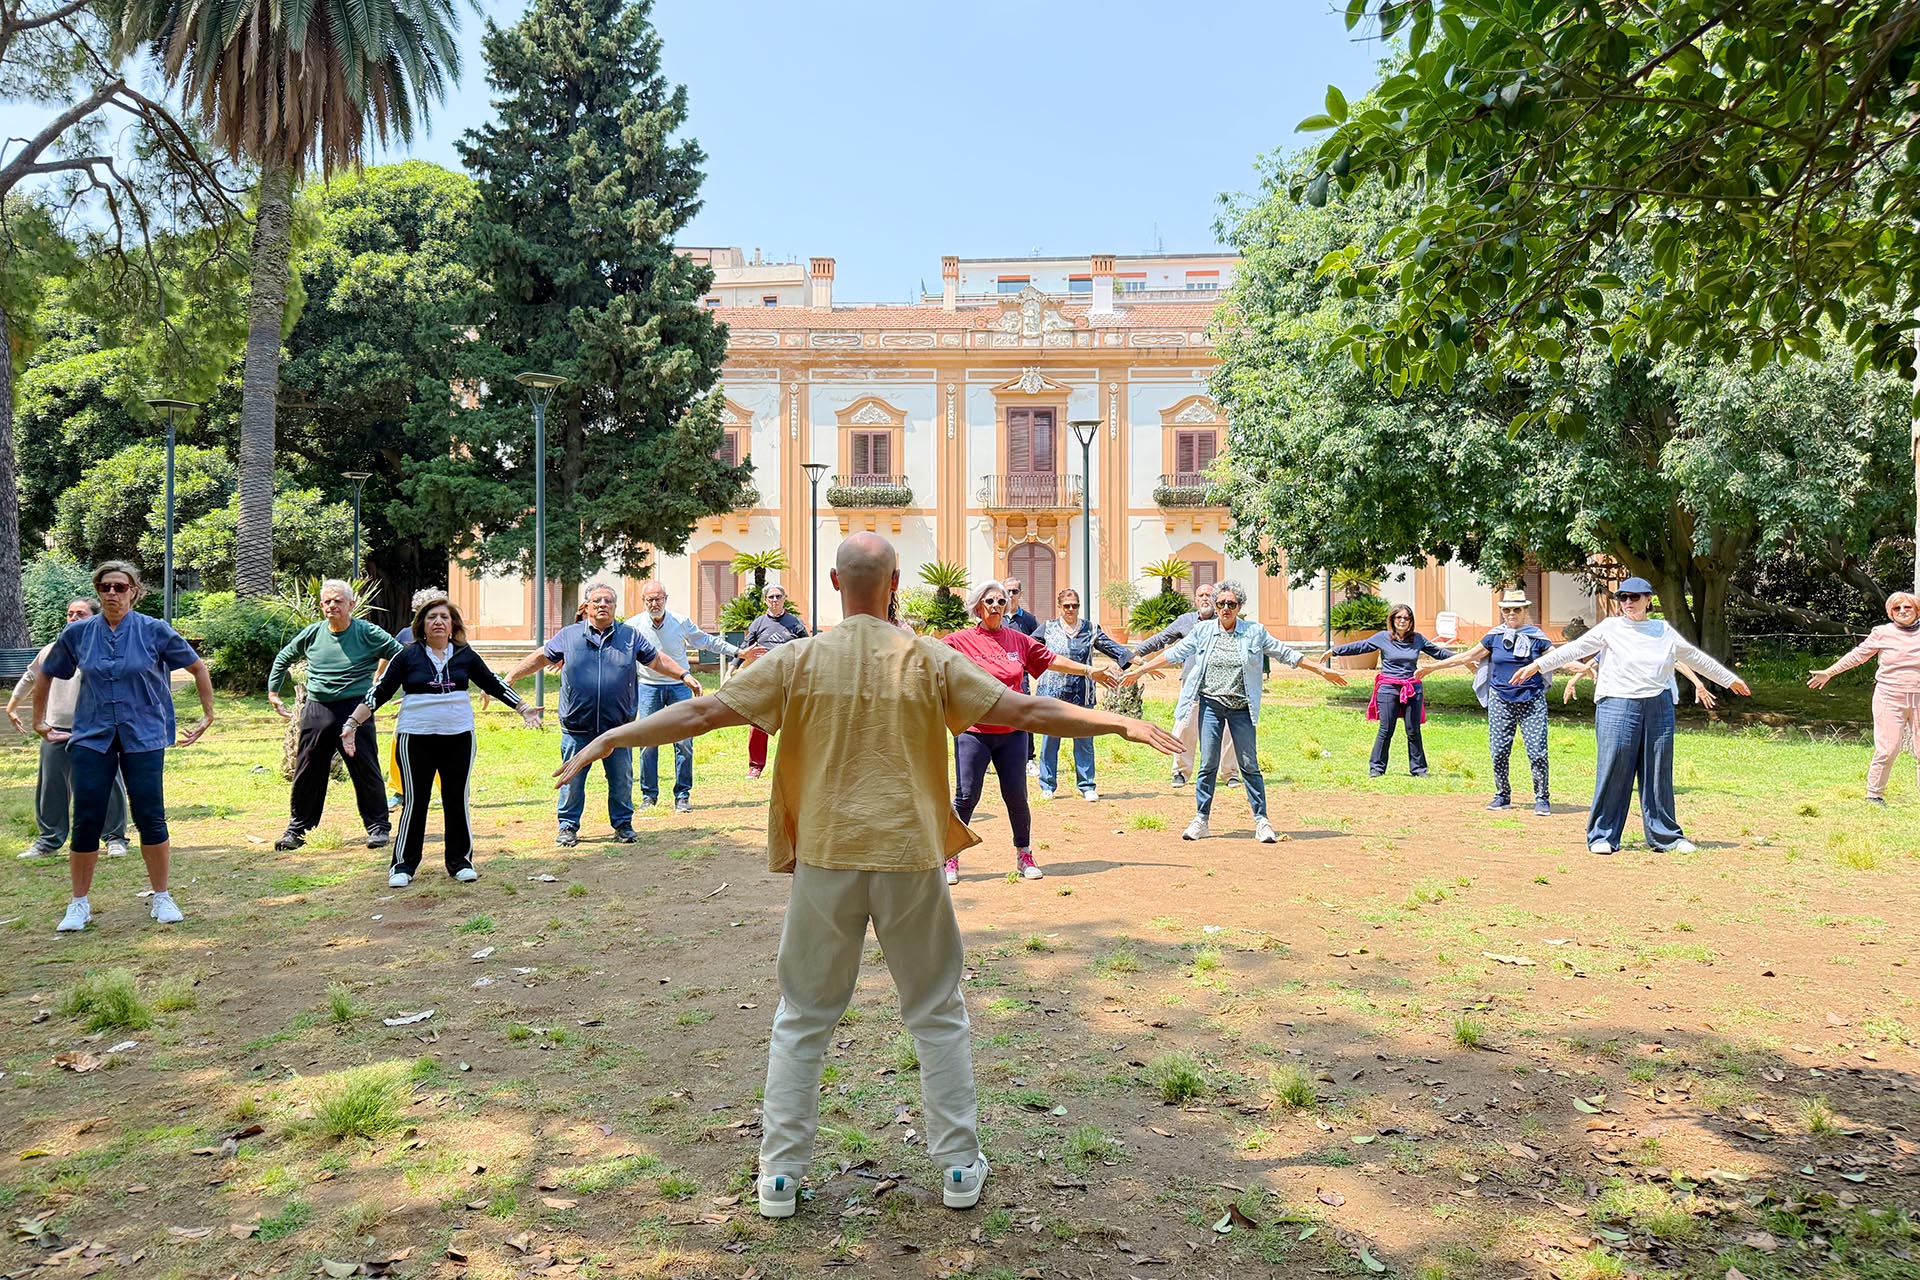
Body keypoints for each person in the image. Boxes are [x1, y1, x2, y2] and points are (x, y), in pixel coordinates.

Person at [552, 533, 1180, 1221]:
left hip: (826, 856)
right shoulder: (928, 659)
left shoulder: (798, 659)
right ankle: (960, 1167)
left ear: (831, 581)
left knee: (802, 1018)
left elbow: (703, 712)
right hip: (910, 858)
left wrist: (613, 737)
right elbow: (1026, 710)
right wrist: (1114, 723)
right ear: (895, 583)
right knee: (937, 1013)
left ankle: (780, 1178)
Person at [29, 561, 215, 932]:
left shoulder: (154, 630)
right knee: (86, 818)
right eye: (105, 587)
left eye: (119, 586)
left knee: (150, 814)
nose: (112, 593)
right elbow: (45, 673)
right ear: (98, 592)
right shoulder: (79, 634)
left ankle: (161, 896)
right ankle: (78, 904)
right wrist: (39, 722)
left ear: (134, 590)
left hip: (143, 735)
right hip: (91, 737)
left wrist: (207, 715)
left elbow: (197, 667)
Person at [1520, 577, 1750, 855]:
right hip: (1617, 703)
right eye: (1623, 597)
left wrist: (1728, 679)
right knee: (1615, 767)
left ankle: (1666, 836)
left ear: (1648, 599)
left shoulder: (1662, 630)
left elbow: (1694, 657)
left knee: (1657, 770)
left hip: (1658, 705)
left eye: (1635, 597)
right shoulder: (1611, 628)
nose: (1628, 602)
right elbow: (1575, 649)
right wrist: (1538, 665)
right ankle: (1602, 835)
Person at [1121, 579, 1348, 842]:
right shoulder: (1203, 631)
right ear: (1216, 606)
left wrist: (1321, 670)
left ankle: (1262, 821)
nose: (1225, 608)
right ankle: (1201, 820)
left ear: (1239, 606)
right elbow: (1174, 653)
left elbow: (1286, 654)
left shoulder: (1254, 632)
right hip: (1211, 706)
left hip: (1241, 708)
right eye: (1221, 603)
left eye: (1231, 604)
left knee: (1249, 764)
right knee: (1208, 763)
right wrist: (1139, 670)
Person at [342, 595, 542, 885]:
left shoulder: (465, 654)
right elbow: (380, 691)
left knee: (456, 799)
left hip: (458, 737)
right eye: (431, 617)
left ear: (453, 625)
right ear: (421, 624)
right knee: (415, 802)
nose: (438, 622)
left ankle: (460, 862)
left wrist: (523, 708)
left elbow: (492, 683)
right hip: (415, 738)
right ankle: (403, 866)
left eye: (444, 617)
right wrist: (352, 722)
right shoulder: (407, 655)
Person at [943, 580, 1116, 882]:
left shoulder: (1017, 639)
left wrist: (1090, 670)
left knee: (1017, 796)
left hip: (1013, 732)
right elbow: (927, 659)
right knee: (967, 795)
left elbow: (1051, 660)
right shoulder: (960, 641)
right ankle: (950, 857)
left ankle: (1024, 854)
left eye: (1000, 601)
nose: (996, 606)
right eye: (989, 602)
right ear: (977, 607)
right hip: (974, 731)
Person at [503, 581, 698, 847]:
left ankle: (623, 825)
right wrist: (512, 676)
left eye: (608, 601)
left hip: (617, 728)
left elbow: (656, 659)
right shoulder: (569, 635)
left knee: (621, 780)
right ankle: (568, 827)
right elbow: (541, 657)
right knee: (572, 780)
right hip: (577, 727)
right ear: (587, 607)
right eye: (597, 601)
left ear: (615, 607)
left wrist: (683, 674)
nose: (602, 605)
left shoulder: (630, 636)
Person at [265, 579, 402, 851]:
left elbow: (401, 657)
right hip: (317, 709)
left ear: (351, 604)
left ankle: (378, 828)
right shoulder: (313, 633)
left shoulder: (367, 632)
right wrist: (273, 692)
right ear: (321, 606)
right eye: (327, 601)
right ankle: (297, 830)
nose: (332, 605)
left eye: (338, 600)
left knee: (364, 768)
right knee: (308, 770)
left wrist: (388, 689)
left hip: (356, 709)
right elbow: (283, 657)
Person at [9, 598, 131, 861]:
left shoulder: (106, 648)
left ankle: (115, 838)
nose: (73, 618)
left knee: (109, 783)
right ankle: (48, 841)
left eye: (80, 613)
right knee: (52, 786)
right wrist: (12, 705)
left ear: (94, 618)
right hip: (55, 729)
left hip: (97, 728)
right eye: (70, 614)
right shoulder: (52, 650)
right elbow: (31, 677)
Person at [626, 581, 762, 813]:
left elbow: (706, 641)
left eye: (658, 598)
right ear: (643, 602)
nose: (654, 603)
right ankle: (649, 796)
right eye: (649, 599)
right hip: (648, 687)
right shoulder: (633, 626)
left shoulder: (680, 622)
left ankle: (682, 796)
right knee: (648, 742)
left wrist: (738, 652)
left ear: (666, 599)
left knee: (684, 742)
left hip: (680, 686)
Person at [1422, 590, 1559, 814]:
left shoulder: (1537, 637)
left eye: (1517, 609)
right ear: (1502, 612)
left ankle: (1542, 798)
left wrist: (1585, 668)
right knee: (1499, 751)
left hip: (1531, 700)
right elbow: (1467, 656)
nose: (1511, 613)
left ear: (1525, 611)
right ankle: (1502, 795)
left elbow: (1559, 658)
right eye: (1507, 609)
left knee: (1537, 752)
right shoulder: (1494, 637)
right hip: (1500, 700)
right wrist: (1432, 667)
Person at [1806, 590, 1920, 806]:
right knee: (1888, 748)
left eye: (1907, 607)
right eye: (1897, 608)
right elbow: (1857, 656)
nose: (1902, 611)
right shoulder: (1882, 633)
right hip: (1889, 697)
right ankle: (1874, 795)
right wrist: (1829, 672)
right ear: (1890, 613)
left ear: (1916, 610)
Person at [1131, 581, 1239, 787]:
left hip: (1224, 687)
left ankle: (1230, 773)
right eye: (1201, 595)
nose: (1205, 598)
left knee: (1228, 730)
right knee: (1184, 727)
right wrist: (1133, 653)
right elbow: (1160, 639)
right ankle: (1180, 772)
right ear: (1196, 600)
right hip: (1192, 686)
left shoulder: (1227, 618)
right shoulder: (1186, 621)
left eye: (1209, 595)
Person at [1325, 604, 1454, 777]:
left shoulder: (1417, 639)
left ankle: (1419, 769)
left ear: (1411, 622)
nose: (1402, 621)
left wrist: (1463, 659)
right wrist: (1334, 652)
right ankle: (1376, 768)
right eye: (1398, 617)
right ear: (1392, 620)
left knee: (1413, 730)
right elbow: (1360, 646)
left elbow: (1438, 653)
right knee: (1386, 729)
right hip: (1388, 688)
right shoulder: (1383, 637)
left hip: (1411, 688)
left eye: (1406, 618)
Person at [1034, 586, 1132, 801]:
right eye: (1067, 606)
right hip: (1052, 694)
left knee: (1084, 739)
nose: (1071, 609)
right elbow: (1029, 649)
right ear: (1059, 607)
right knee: (1050, 740)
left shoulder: (1090, 629)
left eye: (1075, 605)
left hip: (1082, 693)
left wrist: (1139, 661)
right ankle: (1047, 785)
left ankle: (1087, 785)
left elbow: (1113, 648)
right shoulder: (1048, 628)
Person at [739, 584, 809, 778]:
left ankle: (793, 764)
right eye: (771, 597)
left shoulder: (795, 623)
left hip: (789, 679)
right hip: (764, 678)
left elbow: (807, 647)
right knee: (758, 722)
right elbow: (745, 647)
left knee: (792, 723)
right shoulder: (759, 623)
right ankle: (755, 766)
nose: (774, 600)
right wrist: (731, 669)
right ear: (765, 600)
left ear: (784, 598)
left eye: (778, 596)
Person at [386, 587, 448, 809]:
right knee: (399, 746)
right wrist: (378, 679)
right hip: (409, 701)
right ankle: (400, 791)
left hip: (441, 701)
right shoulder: (405, 635)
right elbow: (390, 658)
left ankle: (450, 790)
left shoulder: (448, 636)